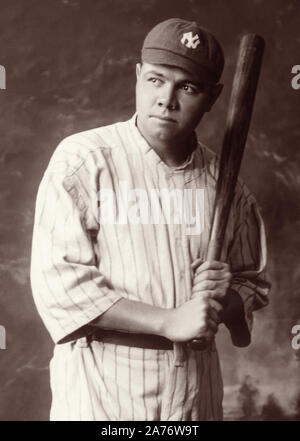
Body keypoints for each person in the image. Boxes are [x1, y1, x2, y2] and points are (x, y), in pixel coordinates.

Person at [30, 18, 270, 421]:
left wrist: (221, 298)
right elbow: (60, 284)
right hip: (101, 386)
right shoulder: (84, 159)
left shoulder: (227, 184)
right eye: (157, 80)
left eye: (187, 87)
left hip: (195, 389)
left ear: (213, 96)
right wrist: (169, 320)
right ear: (138, 76)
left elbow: (252, 283)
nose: (167, 99)